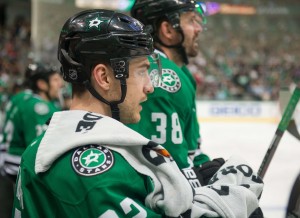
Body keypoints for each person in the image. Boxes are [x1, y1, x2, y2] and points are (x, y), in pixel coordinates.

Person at [12, 9, 264, 218]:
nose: (150, 86)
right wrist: (230, 202)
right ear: (104, 77)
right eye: (142, 71)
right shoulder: (96, 173)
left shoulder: (46, 146)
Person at [127, 0, 211, 172]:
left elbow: (191, 150)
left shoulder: (181, 72)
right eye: (191, 21)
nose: (198, 28)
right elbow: (171, 172)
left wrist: (208, 168)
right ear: (168, 30)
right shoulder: (159, 76)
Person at [1, 62, 63, 182]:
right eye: (55, 80)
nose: (60, 84)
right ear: (41, 84)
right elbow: (41, 150)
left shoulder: (22, 97)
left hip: (8, 159)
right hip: (16, 163)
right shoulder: (39, 107)